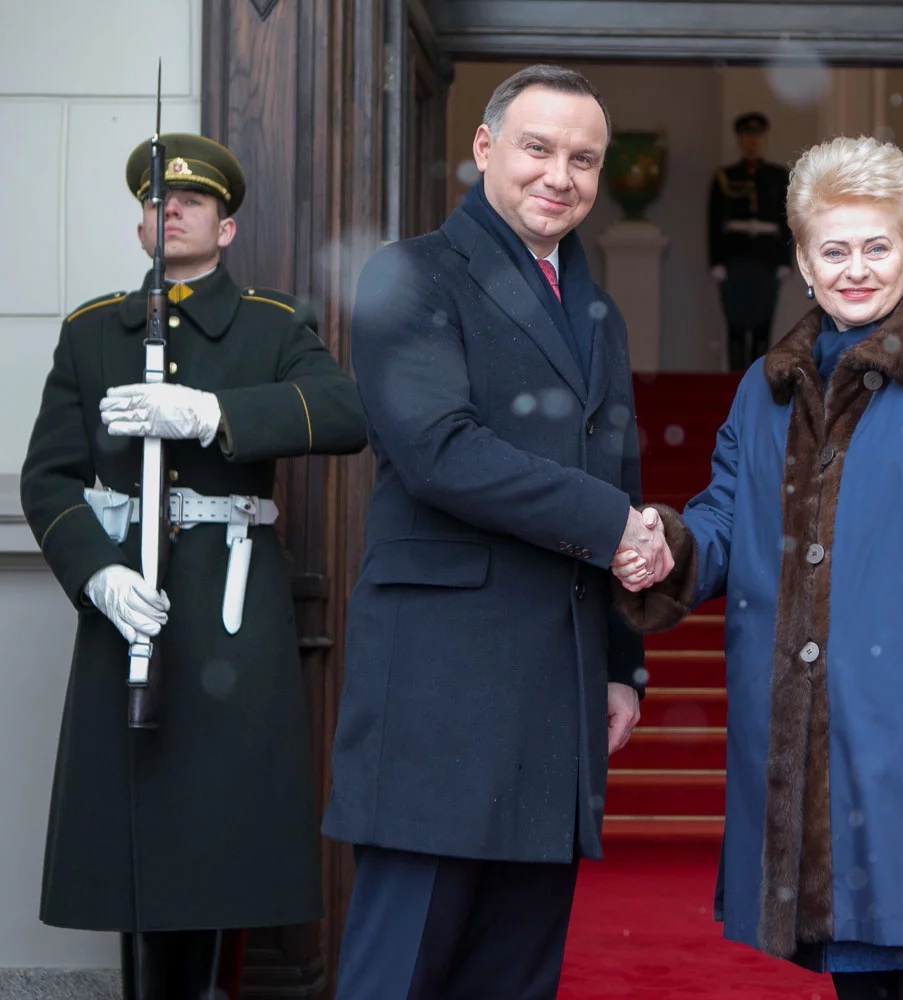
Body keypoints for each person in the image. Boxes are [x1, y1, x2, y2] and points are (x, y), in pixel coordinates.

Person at [615, 136, 903, 1000]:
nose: (856, 269)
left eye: (877, 246)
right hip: (818, 744)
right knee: (858, 972)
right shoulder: (768, 383)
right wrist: (668, 546)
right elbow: (728, 513)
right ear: (801, 257)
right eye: (834, 249)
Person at [322, 64, 672, 999]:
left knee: (512, 977)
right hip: (444, 690)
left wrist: (617, 661)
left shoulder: (595, 308)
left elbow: (619, 472)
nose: (562, 174)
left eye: (585, 158)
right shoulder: (409, 272)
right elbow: (440, 449)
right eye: (539, 148)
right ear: (485, 150)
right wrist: (613, 524)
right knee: (402, 975)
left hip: (553, 692)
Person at [18, 133, 367, 998]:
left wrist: (212, 412)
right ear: (140, 228)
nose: (167, 211)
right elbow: (49, 476)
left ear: (228, 226)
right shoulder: (93, 331)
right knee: (135, 834)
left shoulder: (273, 324)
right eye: (152, 203)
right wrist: (95, 573)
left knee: (224, 835)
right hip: (127, 609)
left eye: (190, 202)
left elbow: (342, 413)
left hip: (229, 616)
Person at [709, 111, 794, 371]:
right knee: (735, 323)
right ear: (739, 140)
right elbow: (713, 222)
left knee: (762, 323)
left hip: (766, 258)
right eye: (747, 136)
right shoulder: (725, 176)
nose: (752, 142)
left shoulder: (779, 177)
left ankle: (757, 379)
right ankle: (734, 383)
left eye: (757, 136)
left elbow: (786, 221)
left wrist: (784, 260)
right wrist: (716, 261)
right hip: (735, 257)